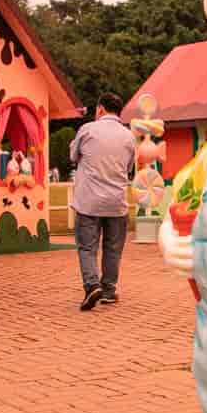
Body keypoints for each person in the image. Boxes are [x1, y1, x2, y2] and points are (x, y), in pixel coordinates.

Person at [70, 92, 136, 310]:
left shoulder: (88, 130)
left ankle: (92, 285)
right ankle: (108, 290)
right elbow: (129, 168)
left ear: (100, 109)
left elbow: (73, 156)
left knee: (87, 248)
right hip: (116, 202)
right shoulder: (129, 136)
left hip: (89, 200)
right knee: (112, 248)